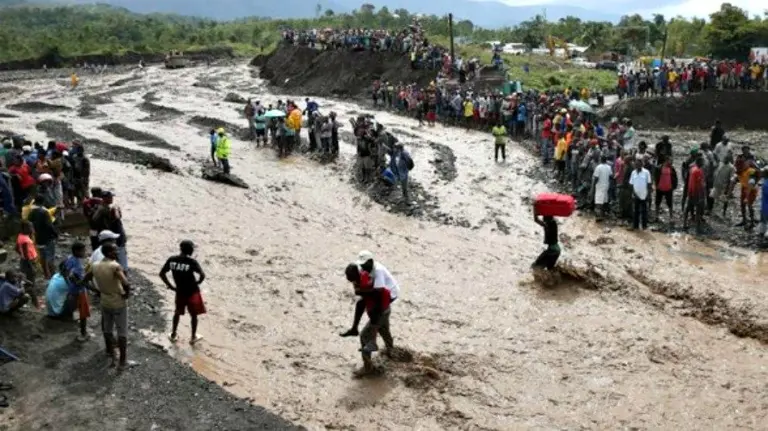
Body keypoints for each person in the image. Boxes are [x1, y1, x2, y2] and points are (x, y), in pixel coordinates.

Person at [83, 243, 131, 369]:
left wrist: (97, 291)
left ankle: (111, 352)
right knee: (122, 332)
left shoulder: (95, 265)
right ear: (109, 253)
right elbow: (126, 283)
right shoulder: (115, 266)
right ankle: (122, 362)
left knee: (108, 330)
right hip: (118, 302)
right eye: (115, 251)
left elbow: (85, 280)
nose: (117, 253)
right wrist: (126, 294)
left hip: (105, 301)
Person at [343, 263, 394, 377]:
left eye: (350, 278)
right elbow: (363, 302)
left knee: (365, 336)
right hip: (386, 308)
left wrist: (373, 321)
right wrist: (355, 326)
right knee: (384, 331)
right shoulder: (364, 278)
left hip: (380, 310)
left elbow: (369, 300)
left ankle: (368, 368)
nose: (349, 281)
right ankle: (392, 353)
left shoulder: (366, 284)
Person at [340, 251, 399, 339]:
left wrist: (360, 291)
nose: (363, 267)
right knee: (360, 304)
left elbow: (378, 291)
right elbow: (355, 283)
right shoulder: (360, 267)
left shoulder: (378, 270)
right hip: (376, 288)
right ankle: (354, 329)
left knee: (375, 314)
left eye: (364, 265)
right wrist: (357, 286)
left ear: (371, 261)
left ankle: (373, 332)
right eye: (361, 265)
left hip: (390, 292)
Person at [159, 240, 207, 344]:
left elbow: (162, 273)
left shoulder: (172, 260)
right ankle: (193, 337)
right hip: (192, 291)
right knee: (194, 315)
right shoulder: (191, 262)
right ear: (190, 249)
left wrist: (170, 286)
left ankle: (173, 334)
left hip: (179, 291)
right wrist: (197, 282)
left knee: (177, 312)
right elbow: (202, 275)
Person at [62, 242, 90, 341]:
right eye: (83, 250)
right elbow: (71, 275)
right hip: (80, 290)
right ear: (76, 251)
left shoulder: (70, 259)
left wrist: (68, 282)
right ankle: (83, 333)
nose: (85, 252)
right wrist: (80, 283)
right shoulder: (76, 262)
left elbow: (64, 271)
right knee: (83, 312)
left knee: (74, 305)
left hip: (72, 288)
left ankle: (67, 316)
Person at [27, 195, 58, 279]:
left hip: (38, 239)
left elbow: (29, 225)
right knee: (50, 257)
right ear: (43, 202)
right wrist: (55, 234)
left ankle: (46, 274)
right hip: (47, 238)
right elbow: (49, 226)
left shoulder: (31, 212)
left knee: (43, 257)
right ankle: (52, 275)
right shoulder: (44, 212)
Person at [16, 221, 39, 308]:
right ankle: (35, 302)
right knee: (31, 281)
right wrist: (31, 266)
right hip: (28, 262)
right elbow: (26, 255)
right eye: (30, 227)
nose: (31, 229)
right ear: (24, 228)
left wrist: (21, 255)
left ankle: (31, 298)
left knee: (26, 280)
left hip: (25, 261)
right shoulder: (25, 240)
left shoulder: (21, 236)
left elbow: (16, 248)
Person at [629, 158, 652, 230]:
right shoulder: (633, 172)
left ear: (641, 164)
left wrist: (648, 195)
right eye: (636, 164)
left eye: (638, 164)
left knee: (644, 211)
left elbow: (649, 184)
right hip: (636, 195)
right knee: (635, 211)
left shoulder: (646, 172)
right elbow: (631, 184)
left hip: (644, 195)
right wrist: (633, 193)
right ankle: (635, 226)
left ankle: (644, 226)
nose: (637, 165)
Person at [654, 157, 678, 221]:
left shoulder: (672, 168)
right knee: (657, 202)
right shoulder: (659, 168)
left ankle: (671, 217)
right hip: (660, 188)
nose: (671, 162)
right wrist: (656, 185)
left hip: (669, 188)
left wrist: (674, 186)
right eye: (670, 161)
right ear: (666, 160)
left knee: (670, 203)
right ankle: (656, 216)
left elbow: (675, 178)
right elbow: (655, 177)